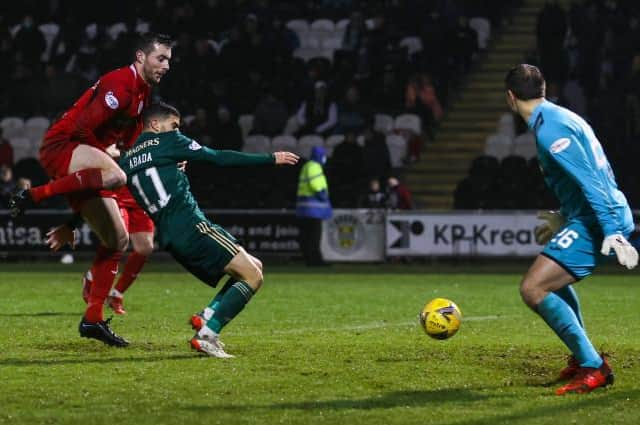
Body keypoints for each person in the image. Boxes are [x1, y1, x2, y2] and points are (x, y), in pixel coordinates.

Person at [10, 32, 173, 347]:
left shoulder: (143, 96)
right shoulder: (120, 84)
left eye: (169, 60)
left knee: (117, 240)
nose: (166, 65)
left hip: (86, 158)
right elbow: (83, 127)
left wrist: (72, 222)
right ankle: (34, 194)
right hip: (64, 144)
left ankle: (93, 319)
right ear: (141, 57)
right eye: (160, 58)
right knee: (116, 175)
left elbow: (127, 147)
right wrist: (108, 155)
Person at [119, 102, 299, 357]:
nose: (177, 130)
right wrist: (270, 158)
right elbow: (218, 157)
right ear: (156, 125)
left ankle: (207, 316)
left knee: (254, 265)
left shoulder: (127, 159)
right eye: (174, 126)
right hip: (193, 227)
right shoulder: (168, 141)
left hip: (170, 237)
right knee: (253, 277)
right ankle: (207, 335)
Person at [505, 64, 638, 395]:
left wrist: (612, 229)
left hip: (598, 218)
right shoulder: (560, 117)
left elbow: (592, 182)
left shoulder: (551, 129)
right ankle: (583, 360)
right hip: (590, 215)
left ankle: (594, 367)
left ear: (510, 97)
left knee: (533, 288)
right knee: (552, 275)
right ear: (543, 88)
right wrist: (565, 216)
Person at [296, 146, 332, 266]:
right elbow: (316, 185)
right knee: (314, 236)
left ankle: (310, 259)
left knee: (307, 236)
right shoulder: (314, 166)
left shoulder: (307, 166)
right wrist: (324, 196)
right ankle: (315, 260)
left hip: (305, 208)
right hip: (313, 209)